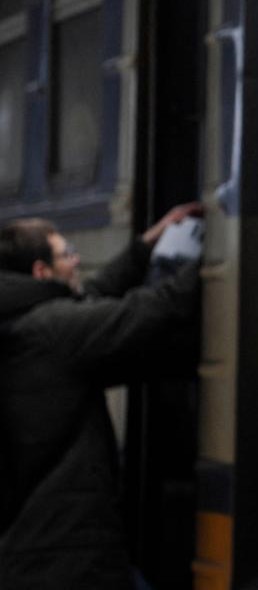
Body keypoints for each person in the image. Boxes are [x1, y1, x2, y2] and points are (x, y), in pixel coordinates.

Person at [0, 203, 203, 590]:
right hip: (69, 558)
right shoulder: (51, 331)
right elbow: (153, 312)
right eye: (67, 254)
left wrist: (144, 247)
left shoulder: (20, 323)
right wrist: (224, 256)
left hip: (25, 555)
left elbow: (88, 300)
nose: (77, 260)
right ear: (41, 272)